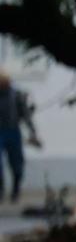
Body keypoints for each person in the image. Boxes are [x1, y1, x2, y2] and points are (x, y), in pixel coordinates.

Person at [0, 70, 41, 204]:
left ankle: (16, 189)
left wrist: (33, 132)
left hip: (13, 131)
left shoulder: (17, 96)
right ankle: (1, 190)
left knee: (17, 163)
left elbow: (26, 116)